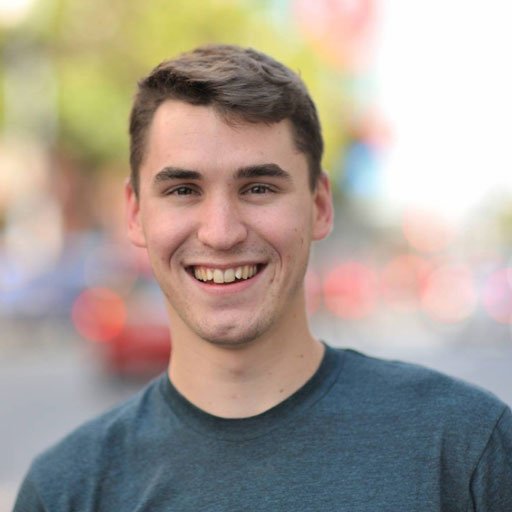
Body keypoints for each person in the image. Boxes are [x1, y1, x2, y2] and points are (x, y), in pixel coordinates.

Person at [14, 44, 512, 511]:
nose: (221, 233)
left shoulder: (465, 448)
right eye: (184, 190)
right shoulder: (66, 491)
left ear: (320, 206)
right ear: (135, 213)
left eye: (257, 188)